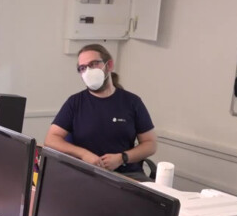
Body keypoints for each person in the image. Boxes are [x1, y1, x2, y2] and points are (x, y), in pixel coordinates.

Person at [44, 44, 157, 178]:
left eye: (93, 64)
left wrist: (122, 158)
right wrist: (83, 154)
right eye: (82, 68)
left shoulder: (132, 102)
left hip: (126, 175)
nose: (88, 71)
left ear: (109, 65)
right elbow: (51, 139)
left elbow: (150, 144)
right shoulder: (75, 103)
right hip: (86, 173)